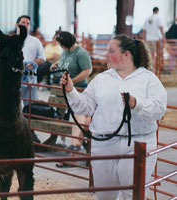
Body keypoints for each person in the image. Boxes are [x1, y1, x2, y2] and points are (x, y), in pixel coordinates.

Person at [60, 34, 167, 199]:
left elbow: (159, 109)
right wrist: (71, 91)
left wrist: (136, 103)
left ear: (126, 54)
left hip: (138, 144)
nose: (106, 55)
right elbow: (85, 106)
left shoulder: (148, 79)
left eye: (111, 51)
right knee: (104, 196)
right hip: (104, 144)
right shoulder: (102, 79)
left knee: (133, 195)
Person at [49, 31, 92, 167]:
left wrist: (72, 81)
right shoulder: (66, 52)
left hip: (78, 89)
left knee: (78, 117)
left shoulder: (81, 53)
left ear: (65, 44)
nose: (60, 46)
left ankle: (73, 151)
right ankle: (71, 147)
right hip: (64, 90)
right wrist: (56, 64)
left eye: (61, 44)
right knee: (73, 118)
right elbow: (65, 60)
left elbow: (87, 70)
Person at [16, 15, 46, 106]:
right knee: (12, 106)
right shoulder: (11, 40)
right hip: (14, 77)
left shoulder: (35, 41)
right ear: (17, 25)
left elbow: (42, 58)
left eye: (28, 23)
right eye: (23, 23)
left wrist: (34, 63)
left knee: (30, 107)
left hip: (29, 77)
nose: (25, 25)